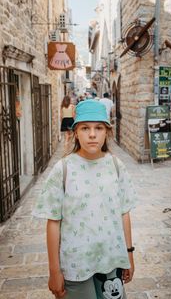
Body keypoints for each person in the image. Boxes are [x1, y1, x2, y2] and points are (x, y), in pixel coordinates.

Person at [32, 100, 136, 299]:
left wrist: (128, 255)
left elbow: (124, 213)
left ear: (107, 131)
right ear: (75, 132)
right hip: (76, 265)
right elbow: (53, 222)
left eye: (98, 128)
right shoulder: (63, 169)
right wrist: (54, 271)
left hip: (111, 261)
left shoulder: (116, 166)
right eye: (85, 128)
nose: (92, 134)